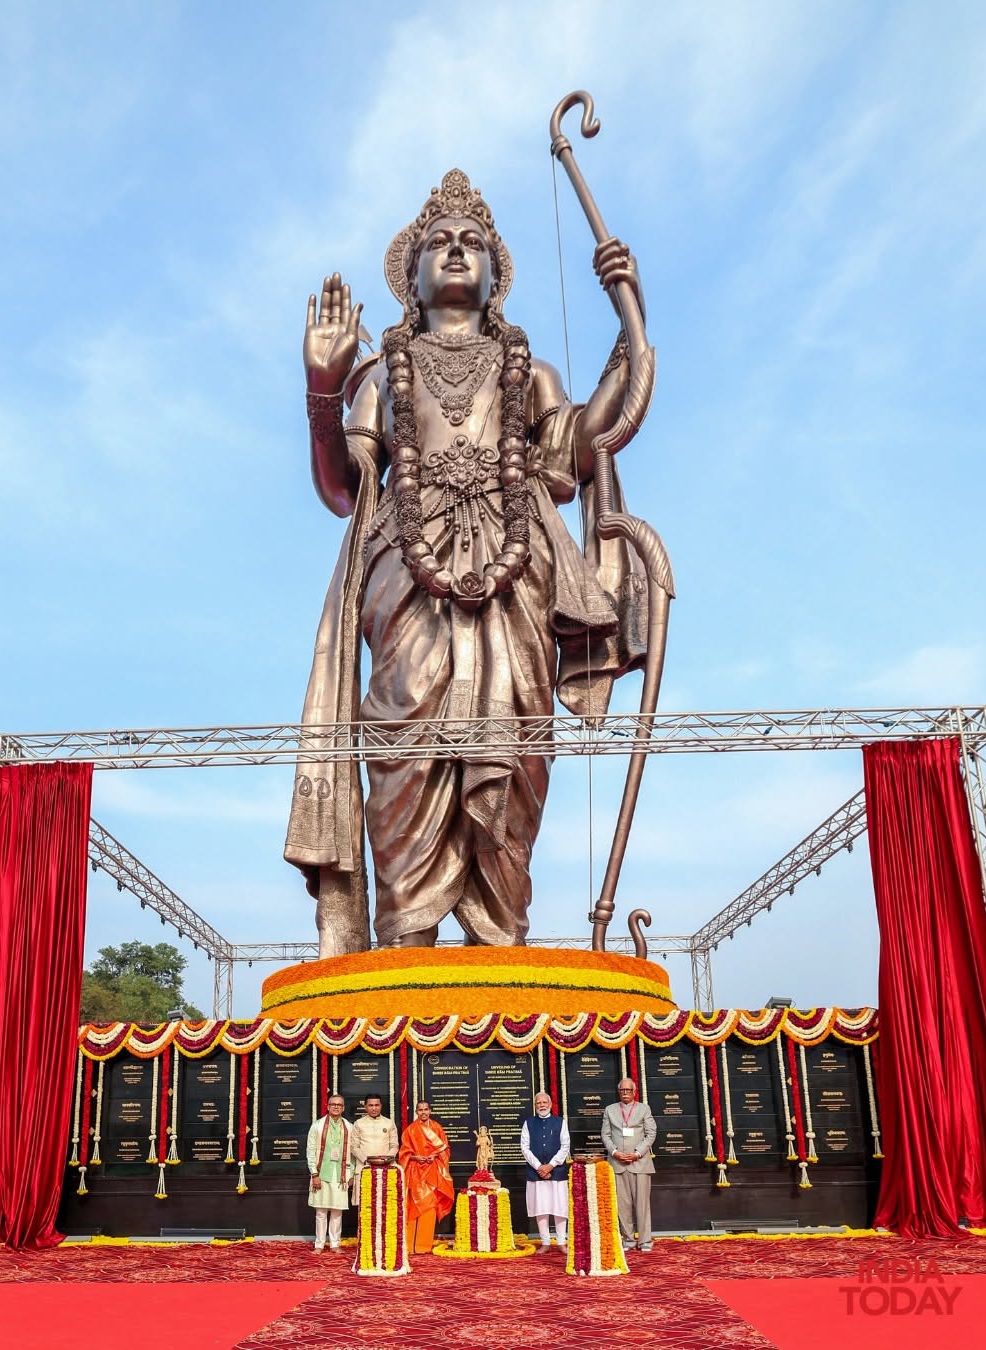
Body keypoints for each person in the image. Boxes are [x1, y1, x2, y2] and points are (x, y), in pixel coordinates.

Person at [285, 169, 649, 953]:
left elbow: (585, 447)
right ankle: (404, 956)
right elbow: (344, 490)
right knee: (405, 751)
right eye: (439, 243)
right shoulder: (382, 375)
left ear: (494, 275)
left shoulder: (531, 372)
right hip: (406, 576)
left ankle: (500, 950)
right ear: (412, 280)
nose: (456, 250)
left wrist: (632, 324)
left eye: (472, 242)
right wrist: (322, 389)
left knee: (513, 759)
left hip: (517, 577)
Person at [601, 1077, 656, 1252]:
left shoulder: (644, 1109)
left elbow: (651, 1133)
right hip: (618, 1164)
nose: (625, 1093)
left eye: (628, 1090)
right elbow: (605, 1135)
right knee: (622, 1206)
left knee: (642, 1205)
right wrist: (615, 1152)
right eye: (622, 1090)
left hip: (640, 1163)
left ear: (634, 1091)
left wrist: (637, 1153)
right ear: (619, 1092)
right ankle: (628, 1240)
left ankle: (645, 1241)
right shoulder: (610, 1110)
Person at [398, 1098, 455, 1253]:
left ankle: (424, 1245)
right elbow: (403, 1153)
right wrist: (415, 1157)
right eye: (420, 1109)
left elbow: (445, 1149)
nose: (423, 1112)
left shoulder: (437, 1128)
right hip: (415, 1172)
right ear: (416, 1112)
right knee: (414, 1207)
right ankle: (410, 1245)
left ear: (430, 1111)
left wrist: (434, 1156)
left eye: (426, 1109)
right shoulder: (410, 1130)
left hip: (432, 1172)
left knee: (429, 1207)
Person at [520, 1091, 570, 1252]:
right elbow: (524, 1148)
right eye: (538, 1103)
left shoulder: (560, 1122)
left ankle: (561, 1242)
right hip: (536, 1173)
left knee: (559, 1207)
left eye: (544, 1102)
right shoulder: (528, 1123)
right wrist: (539, 1167)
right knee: (540, 1207)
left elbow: (565, 1146)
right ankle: (545, 1242)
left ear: (550, 1104)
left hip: (557, 1172)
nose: (541, 1105)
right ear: (535, 1105)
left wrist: (551, 1165)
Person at [306, 1092, 353, 1252]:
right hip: (321, 1173)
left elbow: (353, 1153)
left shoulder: (349, 1127)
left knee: (337, 1212)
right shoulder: (317, 1126)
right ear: (327, 1106)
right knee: (321, 1211)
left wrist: (351, 1174)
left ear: (343, 1108)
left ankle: (335, 1244)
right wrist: (314, 1174)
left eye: (339, 1105)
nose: (336, 1107)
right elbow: (310, 1150)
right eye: (333, 1104)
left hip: (341, 1174)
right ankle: (319, 1245)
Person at [350, 1092, 399, 1203]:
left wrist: (385, 1160)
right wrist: (366, 1160)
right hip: (365, 1167)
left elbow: (394, 1145)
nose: (374, 1108)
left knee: (386, 1203)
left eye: (377, 1105)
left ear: (381, 1106)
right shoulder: (358, 1123)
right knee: (365, 1205)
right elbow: (354, 1147)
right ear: (365, 1107)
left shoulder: (389, 1123)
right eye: (371, 1105)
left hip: (386, 1168)